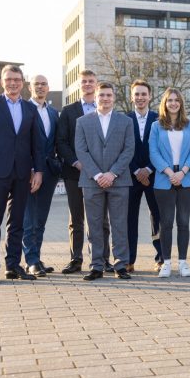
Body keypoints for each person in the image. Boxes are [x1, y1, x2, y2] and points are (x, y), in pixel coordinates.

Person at [0, 65, 44, 284]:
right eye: (9, 79)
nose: (13, 83)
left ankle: (13, 265)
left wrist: (38, 171)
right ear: (2, 82)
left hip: (23, 173)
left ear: (23, 82)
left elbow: (37, 144)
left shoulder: (30, 109)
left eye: (17, 79)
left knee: (17, 222)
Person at [74, 82, 135, 281]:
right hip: (92, 181)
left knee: (119, 224)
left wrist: (112, 174)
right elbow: (81, 151)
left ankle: (120, 264)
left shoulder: (125, 121)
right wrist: (98, 175)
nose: (105, 99)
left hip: (119, 180)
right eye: (102, 95)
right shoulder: (83, 121)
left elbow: (128, 150)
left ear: (114, 97)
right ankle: (96, 265)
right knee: (94, 225)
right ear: (96, 97)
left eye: (109, 95)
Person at [57, 70, 112, 274]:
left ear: (96, 85)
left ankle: (104, 259)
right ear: (79, 85)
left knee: (101, 219)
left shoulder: (105, 109)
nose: (88, 84)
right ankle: (76, 259)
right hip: (75, 172)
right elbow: (61, 141)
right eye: (84, 82)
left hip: (101, 174)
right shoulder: (68, 110)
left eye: (91, 81)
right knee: (77, 218)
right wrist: (76, 162)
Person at [149, 88, 190, 278]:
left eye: (176, 100)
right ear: (165, 103)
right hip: (164, 179)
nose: (173, 103)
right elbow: (153, 152)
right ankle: (167, 262)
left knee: (183, 221)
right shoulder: (156, 126)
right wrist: (170, 172)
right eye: (169, 100)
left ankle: (183, 263)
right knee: (166, 222)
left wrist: (183, 172)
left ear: (181, 103)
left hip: (186, 178)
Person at [22, 74, 61, 276]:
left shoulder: (54, 112)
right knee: (28, 218)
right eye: (36, 84)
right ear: (30, 87)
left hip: (49, 172)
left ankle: (36, 256)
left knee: (41, 219)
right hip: (28, 172)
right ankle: (31, 260)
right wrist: (30, 169)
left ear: (48, 87)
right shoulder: (23, 108)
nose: (40, 87)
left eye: (44, 84)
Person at [126, 80, 162, 273]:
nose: (140, 97)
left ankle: (161, 258)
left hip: (154, 175)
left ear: (149, 96)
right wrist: (135, 171)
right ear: (132, 97)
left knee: (157, 217)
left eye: (143, 94)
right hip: (130, 177)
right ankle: (129, 259)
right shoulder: (124, 119)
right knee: (129, 218)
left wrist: (148, 169)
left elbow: (161, 148)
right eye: (137, 94)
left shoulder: (159, 118)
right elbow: (122, 149)